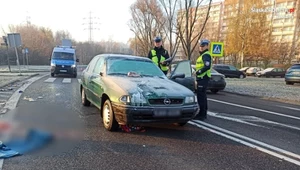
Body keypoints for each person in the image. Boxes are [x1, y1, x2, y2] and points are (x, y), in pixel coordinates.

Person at [194, 39, 212, 121]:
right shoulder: (202, 55)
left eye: (203, 46)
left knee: (201, 97)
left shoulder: (206, 55)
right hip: (201, 78)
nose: (201, 47)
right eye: (200, 46)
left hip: (203, 78)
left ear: (206, 46)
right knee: (202, 96)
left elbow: (207, 66)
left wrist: (199, 72)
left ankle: (202, 114)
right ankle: (203, 113)